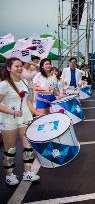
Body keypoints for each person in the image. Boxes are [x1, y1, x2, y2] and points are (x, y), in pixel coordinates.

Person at [0, 57, 40, 186]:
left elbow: (28, 101)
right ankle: (9, 175)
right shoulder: (4, 84)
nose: (19, 68)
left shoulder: (24, 82)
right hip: (9, 120)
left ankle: (27, 173)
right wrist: (12, 112)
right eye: (16, 66)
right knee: (10, 150)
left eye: (20, 66)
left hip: (25, 118)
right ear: (8, 68)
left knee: (29, 147)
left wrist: (37, 112)